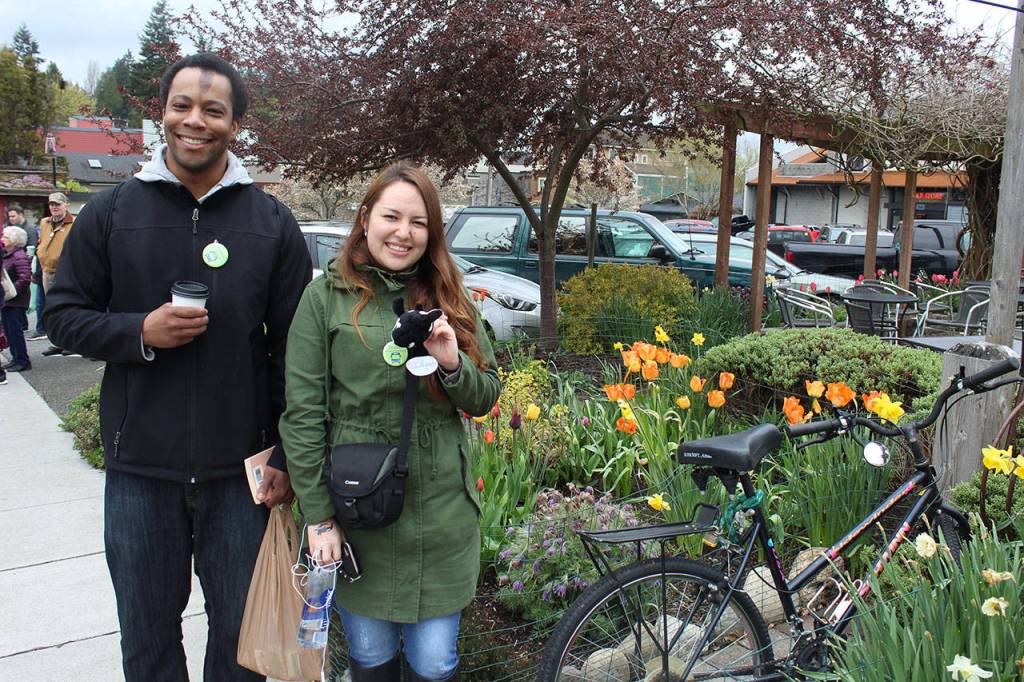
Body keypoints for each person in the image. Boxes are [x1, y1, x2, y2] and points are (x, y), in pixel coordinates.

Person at [43, 53, 311, 681]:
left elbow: (296, 352)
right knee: (147, 640)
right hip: (141, 471)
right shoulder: (112, 213)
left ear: (235, 123)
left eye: (213, 110)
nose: (196, 120)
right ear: (161, 113)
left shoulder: (269, 222)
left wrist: (283, 453)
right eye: (182, 106)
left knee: (240, 645)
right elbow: (62, 314)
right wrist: (139, 330)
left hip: (240, 478)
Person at [280, 162, 501, 682]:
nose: (404, 233)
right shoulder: (325, 298)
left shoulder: (449, 294)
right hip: (359, 515)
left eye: (419, 222)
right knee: (371, 659)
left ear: (433, 232)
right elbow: (304, 415)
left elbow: (485, 395)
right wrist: (319, 519)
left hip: (440, 513)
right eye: (391, 216)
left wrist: (451, 362)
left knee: (433, 661)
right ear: (365, 218)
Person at [36, 193, 75, 356]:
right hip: (47, 271)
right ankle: (58, 341)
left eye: (57, 204)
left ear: (66, 205)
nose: (54, 207)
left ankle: (71, 343)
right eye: (51, 204)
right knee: (52, 309)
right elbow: (41, 244)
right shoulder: (45, 223)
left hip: (64, 272)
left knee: (68, 308)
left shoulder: (73, 224)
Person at [8, 204, 45, 340]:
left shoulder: (29, 231)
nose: (11, 218)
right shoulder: (10, 228)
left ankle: (34, 327)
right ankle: (26, 325)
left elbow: (33, 249)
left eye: (13, 216)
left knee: (28, 299)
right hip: (19, 268)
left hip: (27, 266)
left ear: (20, 214)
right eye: (9, 216)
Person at [2, 226, 32, 372]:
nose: (3, 239)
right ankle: (16, 358)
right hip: (9, 299)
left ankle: (22, 360)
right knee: (9, 330)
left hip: (15, 300)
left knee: (15, 330)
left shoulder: (18, 255)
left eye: (6, 237)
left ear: (14, 240)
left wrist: (11, 291)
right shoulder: (8, 255)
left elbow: (25, 277)